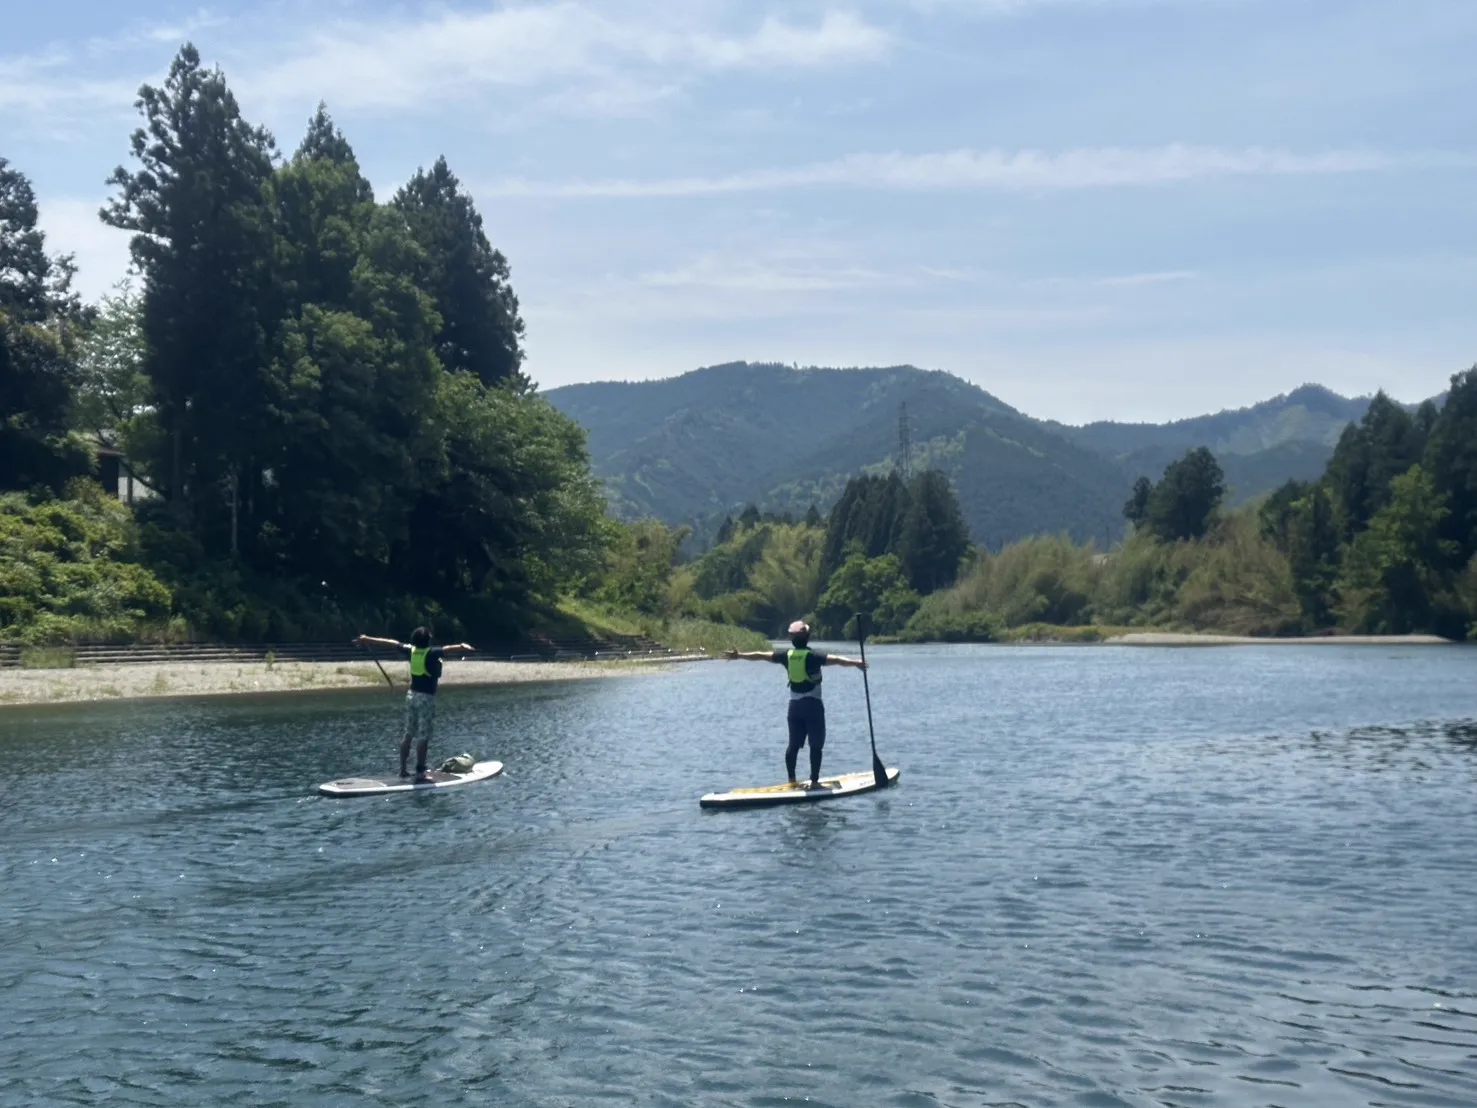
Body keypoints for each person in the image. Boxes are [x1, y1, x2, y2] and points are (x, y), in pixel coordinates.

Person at [725, 620, 867, 788]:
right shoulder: (814, 656)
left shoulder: (786, 656)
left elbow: (761, 655)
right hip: (813, 706)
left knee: (793, 745)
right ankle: (814, 782)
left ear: (792, 639)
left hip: (794, 708)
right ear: (807, 638)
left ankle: (791, 780)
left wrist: (739, 655)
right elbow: (836, 660)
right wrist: (856, 663)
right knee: (816, 745)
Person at [353, 627, 475, 780]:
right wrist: (462, 646)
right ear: (427, 641)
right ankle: (420, 772)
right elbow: (448, 649)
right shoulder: (431, 653)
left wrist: (367, 638)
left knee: (408, 734)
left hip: (411, 696)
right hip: (426, 699)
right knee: (423, 736)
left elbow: (391, 643)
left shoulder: (411, 650)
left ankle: (403, 770)